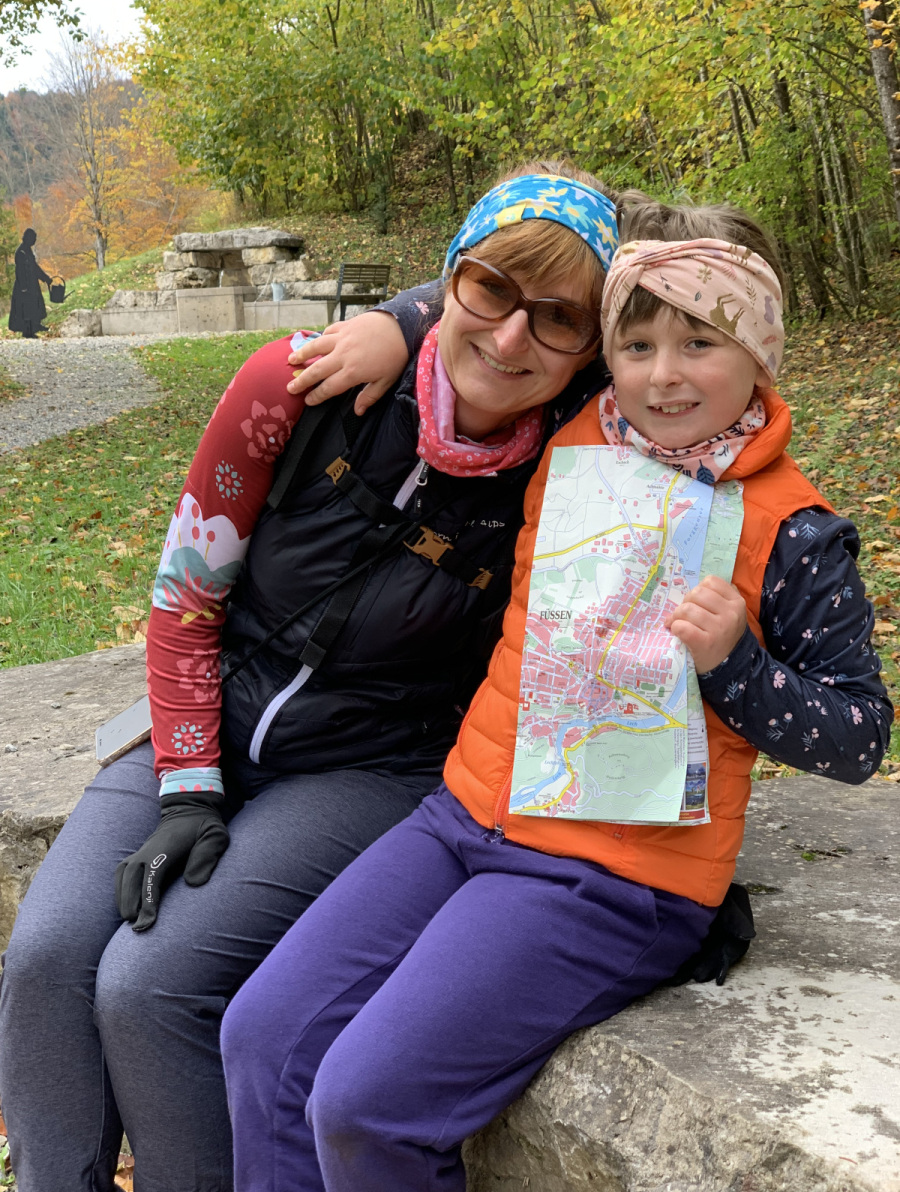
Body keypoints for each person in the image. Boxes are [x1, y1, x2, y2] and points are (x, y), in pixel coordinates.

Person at [220, 194, 892, 1192]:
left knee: (363, 1105)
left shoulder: (795, 532)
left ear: (760, 354)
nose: (663, 375)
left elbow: (860, 737)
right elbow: (501, 310)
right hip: (462, 819)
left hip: (615, 877)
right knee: (263, 1036)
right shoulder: (571, 436)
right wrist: (394, 324)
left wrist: (737, 667)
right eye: (639, 344)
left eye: (701, 343)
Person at [0, 165, 620, 1192]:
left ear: (590, 345)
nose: (512, 336)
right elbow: (184, 596)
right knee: (46, 959)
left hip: (373, 766)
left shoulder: (583, 463)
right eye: (489, 289)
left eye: (558, 318)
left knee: (151, 988)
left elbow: (701, 350)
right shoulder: (293, 386)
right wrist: (188, 784)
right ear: (452, 276)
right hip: (209, 715)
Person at [7, 228, 52, 339]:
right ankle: (28, 332)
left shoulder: (28, 250)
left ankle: (36, 325)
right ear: (28, 238)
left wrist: (45, 278)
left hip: (32, 284)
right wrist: (23, 287)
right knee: (26, 310)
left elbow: (34, 267)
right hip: (24, 285)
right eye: (33, 238)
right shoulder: (21, 252)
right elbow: (20, 271)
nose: (34, 241)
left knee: (35, 305)